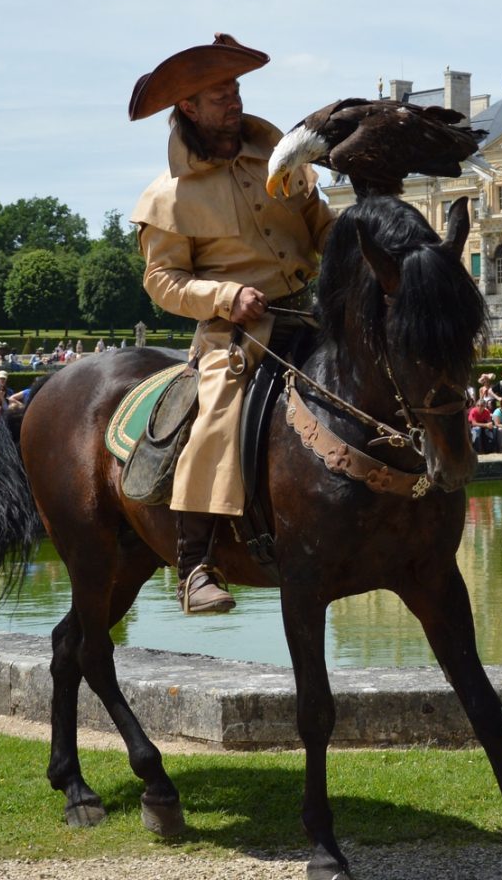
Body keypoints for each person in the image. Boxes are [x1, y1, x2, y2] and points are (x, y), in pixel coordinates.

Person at [128, 34, 333, 615]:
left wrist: (356, 241)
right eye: (221, 95)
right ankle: (195, 565)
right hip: (238, 335)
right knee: (218, 412)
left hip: (310, 313)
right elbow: (163, 282)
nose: (234, 101)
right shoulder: (167, 197)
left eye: (236, 89)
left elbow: (320, 224)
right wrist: (224, 295)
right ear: (188, 107)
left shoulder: (279, 162)